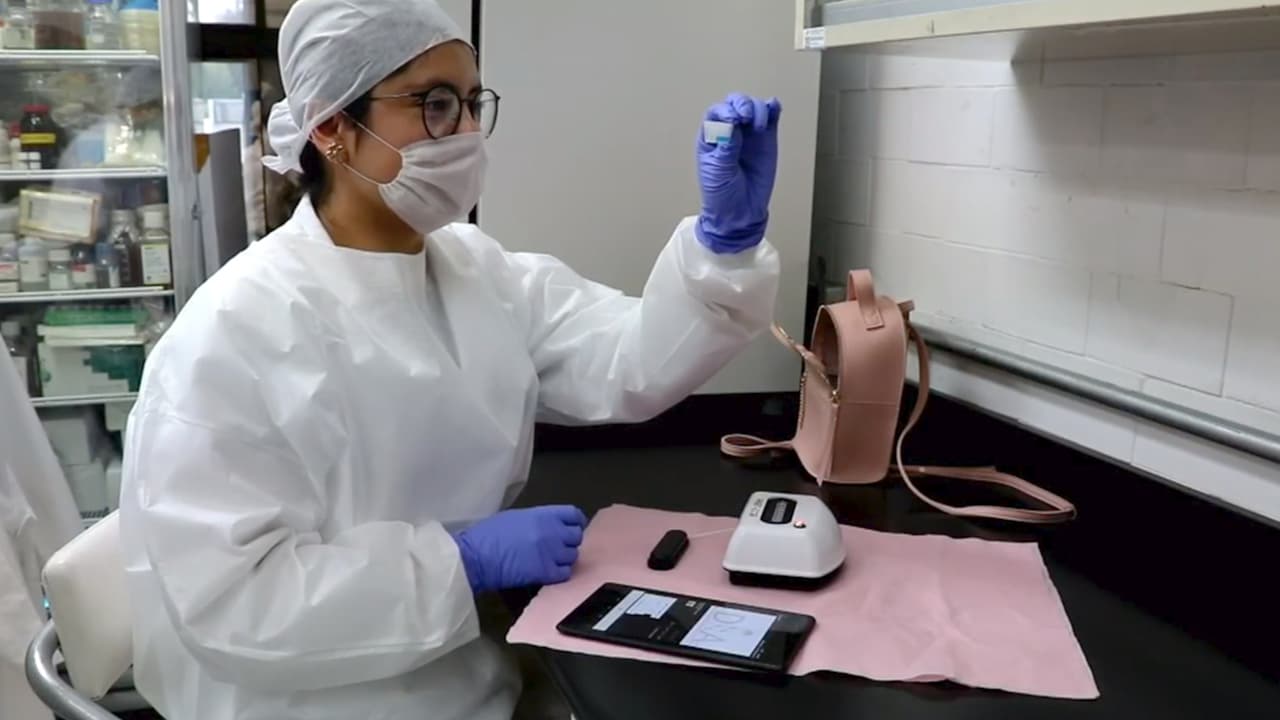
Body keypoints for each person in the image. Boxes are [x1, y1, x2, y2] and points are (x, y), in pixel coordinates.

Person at [118, 1, 782, 719]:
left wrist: (723, 246)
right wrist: (459, 565)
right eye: (434, 105)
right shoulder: (235, 332)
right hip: (317, 700)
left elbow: (628, 360)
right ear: (331, 126)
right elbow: (237, 606)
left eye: (471, 103)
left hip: (467, 667)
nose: (464, 132)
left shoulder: (473, 269)